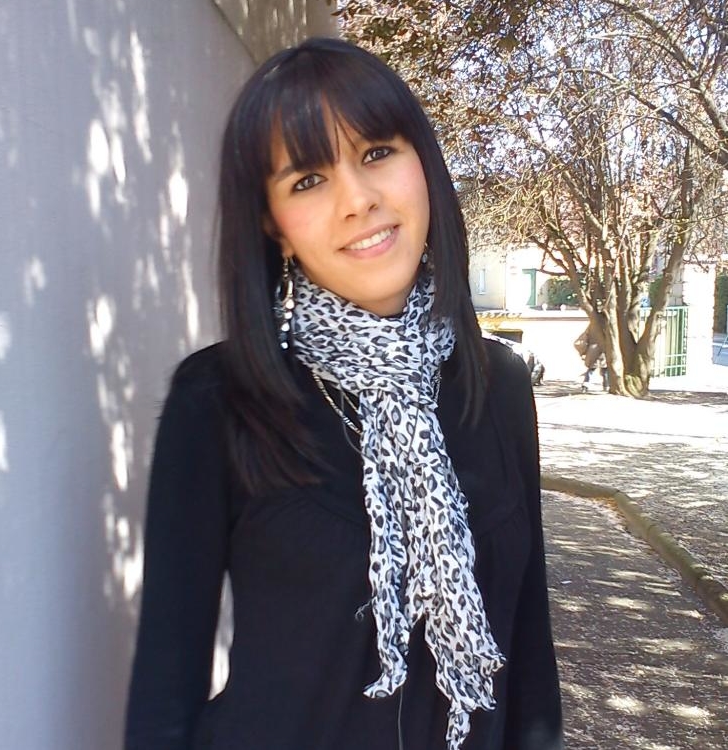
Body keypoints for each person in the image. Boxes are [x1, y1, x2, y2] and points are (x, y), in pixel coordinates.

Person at [124, 38, 563, 750]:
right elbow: (164, 694)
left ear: (423, 164)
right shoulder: (218, 401)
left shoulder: (499, 386)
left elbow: (530, 663)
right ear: (272, 223)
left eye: (377, 152)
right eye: (307, 180)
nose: (358, 200)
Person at [574, 325, 608, 392]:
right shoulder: (606, 325)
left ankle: (585, 385)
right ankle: (606, 386)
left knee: (591, 369)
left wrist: (583, 352)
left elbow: (582, 340)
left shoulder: (592, 326)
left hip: (592, 350)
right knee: (605, 370)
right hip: (604, 350)